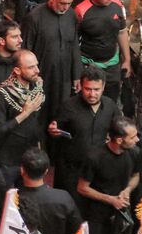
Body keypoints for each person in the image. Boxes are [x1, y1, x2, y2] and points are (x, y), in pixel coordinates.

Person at [78, 116, 140, 234]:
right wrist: (111, 199)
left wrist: (127, 189)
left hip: (120, 219)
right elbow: (82, 188)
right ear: (119, 140)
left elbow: (136, 175)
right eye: (133, 137)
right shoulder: (94, 157)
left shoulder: (134, 152)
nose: (137, 140)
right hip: (96, 216)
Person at [48, 66, 122, 201]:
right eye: (88, 89)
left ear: (103, 87)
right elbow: (55, 131)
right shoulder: (68, 106)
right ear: (81, 86)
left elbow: (118, 129)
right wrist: (53, 131)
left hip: (97, 172)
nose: (92, 94)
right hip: (71, 171)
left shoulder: (110, 106)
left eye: (96, 90)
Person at [21, 0, 82, 124]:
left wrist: (77, 74)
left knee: (61, 115)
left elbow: (73, 45)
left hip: (64, 77)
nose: (65, 7)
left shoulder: (71, 15)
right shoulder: (34, 17)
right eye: (62, 3)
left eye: (69, 3)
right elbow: (25, 50)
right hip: (41, 76)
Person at [0, 50, 45, 186]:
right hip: (7, 161)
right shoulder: (2, 93)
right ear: (17, 70)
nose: (37, 70)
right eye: (31, 67)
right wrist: (24, 114)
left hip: (30, 159)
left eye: (36, 65)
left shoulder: (37, 89)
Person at [75, 0, 130, 103]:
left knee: (111, 101)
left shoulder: (118, 6)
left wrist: (127, 59)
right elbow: (73, 43)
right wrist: (77, 70)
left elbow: (122, 32)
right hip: (88, 65)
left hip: (112, 65)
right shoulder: (81, 10)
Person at [18, 148, 82, 234]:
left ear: (22, 170)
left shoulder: (14, 200)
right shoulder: (63, 197)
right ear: (46, 171)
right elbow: (78, 231)